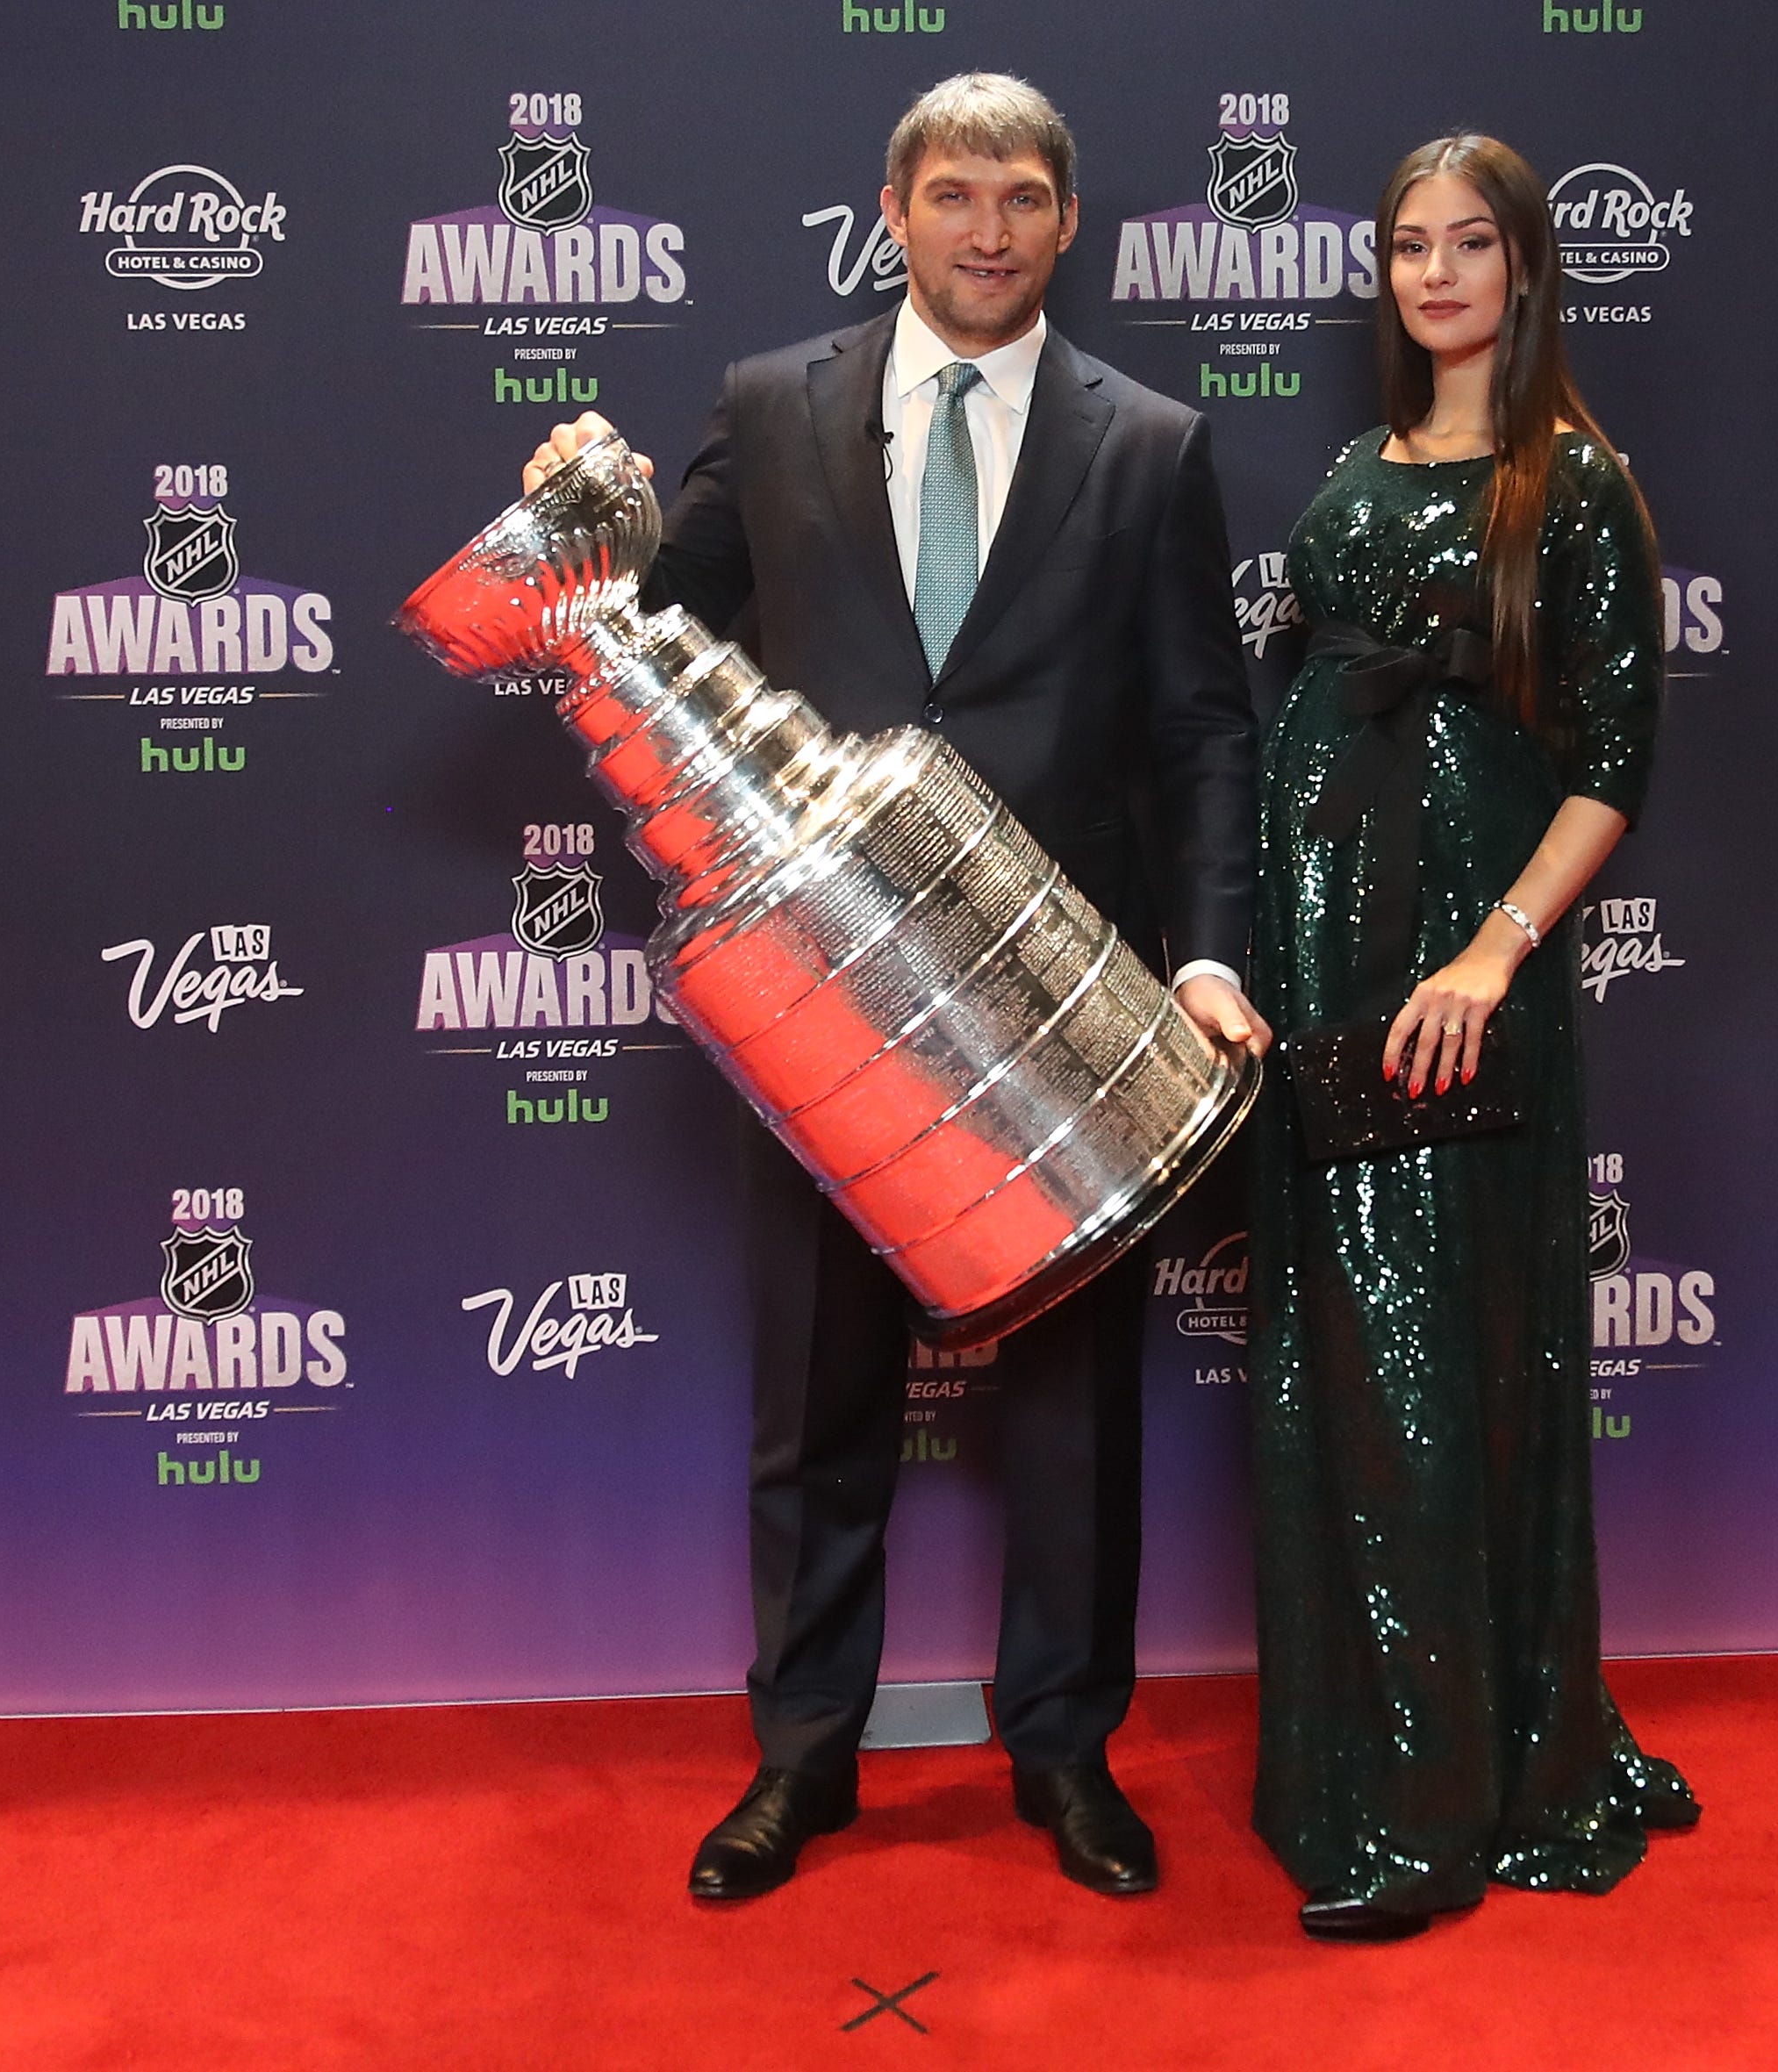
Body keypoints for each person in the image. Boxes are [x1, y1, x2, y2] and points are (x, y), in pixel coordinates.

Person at [524, 73, 1270, 1904]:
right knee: (815, 1387)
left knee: (1072, 1406)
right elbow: (647, 610)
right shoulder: (769, 403)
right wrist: (582, 508)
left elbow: (1200, 729)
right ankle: (801, 1757)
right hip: (821, 990)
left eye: (1020, 196)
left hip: (1063, 990)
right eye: (952, 193)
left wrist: (1204, 952)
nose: (985, 229)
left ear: (1067, 221)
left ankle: (1066, 1751)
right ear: (892, 209)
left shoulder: (1150, 444)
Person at [1248, 132, 1697, 1943]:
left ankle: (1450, 1794)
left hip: (1456, 987)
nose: (1432, 273)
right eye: (1406, 245)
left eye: (1467, 243)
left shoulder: (1573, 481)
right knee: (1344, 1366)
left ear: (1524, 268)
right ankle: (1349, 1765)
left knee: (1443, 1365)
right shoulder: (1358, 463)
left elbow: (1612, 764)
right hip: (1321, 963)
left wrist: (1491, 955)